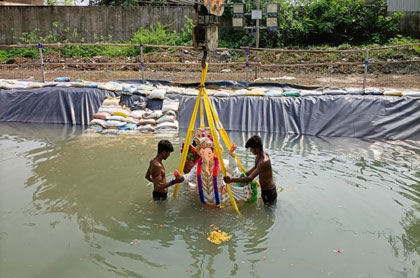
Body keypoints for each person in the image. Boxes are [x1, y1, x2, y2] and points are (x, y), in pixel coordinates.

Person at [175, 128, 257, 206]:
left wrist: (231, 155)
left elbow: (231, 169)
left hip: (220, 199)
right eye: (203, 152)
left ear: (214, 152)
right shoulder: (199, 165)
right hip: (205, 200)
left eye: (208, 153)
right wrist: (181, 178)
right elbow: (189, 177)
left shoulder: (220, 163)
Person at [223, 135, 277, 205]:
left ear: (256, 149)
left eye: (251, 149)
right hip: (264, 189)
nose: (250, 151)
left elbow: (250, 178)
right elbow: (256, 167)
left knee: (269, 210)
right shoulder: (259, 155)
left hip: (269, 191)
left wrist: (231, 180)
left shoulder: (263, 161)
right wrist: (246, 173)